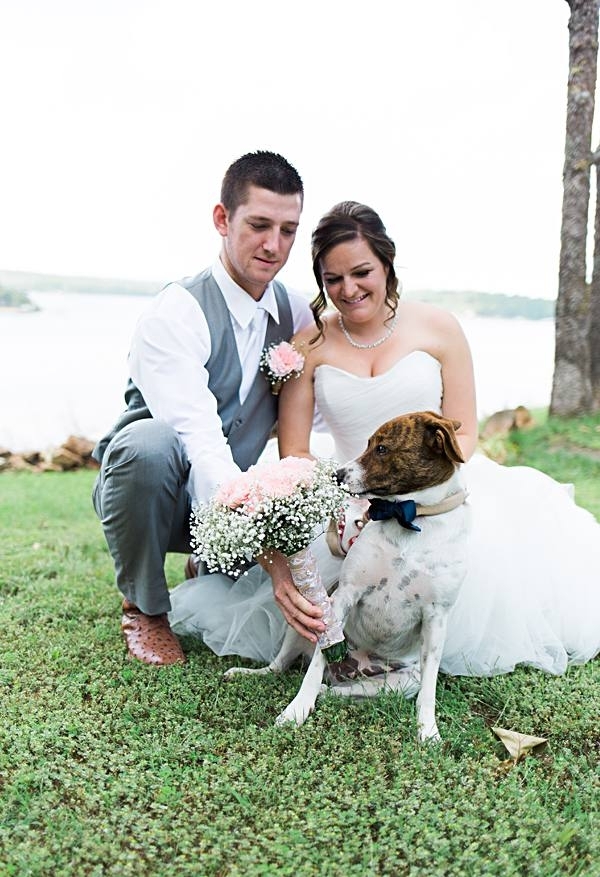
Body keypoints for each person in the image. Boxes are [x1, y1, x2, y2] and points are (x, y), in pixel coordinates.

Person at [169, 200, 600, 678]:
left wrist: (410, 497)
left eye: (361, 272)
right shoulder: (308, 346)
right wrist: (344, 505)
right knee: (316, 593)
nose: (348, 290)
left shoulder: (439, 327)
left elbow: (464, 432)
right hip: (346, 494)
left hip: (434, 493)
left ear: (387, 264)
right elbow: (295, 452)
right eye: (333, 280)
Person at [92, 150, 326, 667]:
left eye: (288, 230)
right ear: (222, 219)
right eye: (259, 225)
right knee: (148, 446)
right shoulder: (176, 312)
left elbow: (323, 408)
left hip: (230, 493)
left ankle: (213, 561)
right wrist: (268, 552)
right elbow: (198, 438)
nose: (274, 245)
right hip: (158, 496)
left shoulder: (293, 312)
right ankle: (144, 607)